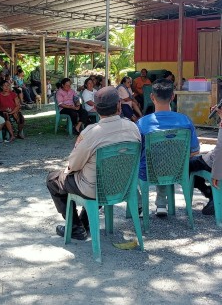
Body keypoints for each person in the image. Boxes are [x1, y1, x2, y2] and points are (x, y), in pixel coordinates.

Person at [47, 86, 141, 239]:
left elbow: (74, 165)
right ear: (119, 105)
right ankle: (84, 222)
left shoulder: (91, 132)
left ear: (96, 108)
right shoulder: (133, 128)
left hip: (96, 188)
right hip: (122, 185)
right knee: (101, 175)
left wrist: (68, 170)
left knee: (53, 179)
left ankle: (75, 227)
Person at [137, 79, 200, 216]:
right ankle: (161, 204)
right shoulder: (185, 121)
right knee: (165, 158)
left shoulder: (142, 123)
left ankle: (140, 205)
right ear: (173, 97)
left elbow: (136, 151)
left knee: (136, 163)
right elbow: (195, 151)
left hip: (148, 171)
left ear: (152, 97)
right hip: (177, 170)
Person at [189, 105, 222, 215]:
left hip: (215, 162)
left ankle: (212, 195)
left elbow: (220, 150)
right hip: (214, 158)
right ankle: (211, 194)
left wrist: (216, 174)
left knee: (186, 166)